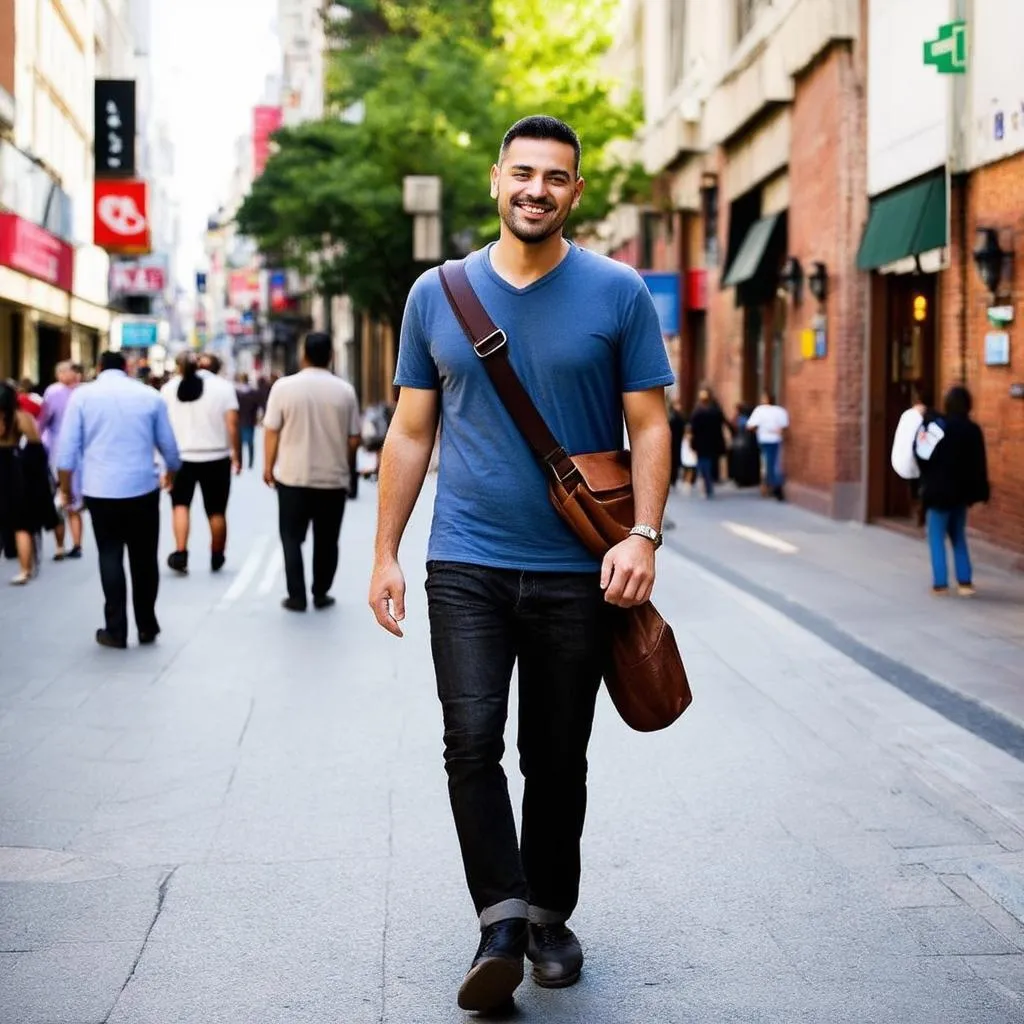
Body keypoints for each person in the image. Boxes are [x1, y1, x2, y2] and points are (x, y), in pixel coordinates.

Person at [368, 115, 674, 1013]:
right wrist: (385, 550)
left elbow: (651, 424)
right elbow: (410, 431)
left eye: (557, 177)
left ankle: (550, 914)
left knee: (556, 754)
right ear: (496, 180)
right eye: (524, 173)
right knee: (469, 743)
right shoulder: (438, 294)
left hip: (579, 570)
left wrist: (642, 535)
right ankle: (500, 919)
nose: (538, 189)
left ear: (576, 192)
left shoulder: (618, 293)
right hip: (464, 560)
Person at [56, 351, 181, 647]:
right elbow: (170, 449)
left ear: (98, 368)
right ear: (126, 368)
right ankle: (147, 624)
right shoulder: (150, 396)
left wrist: (66, 489)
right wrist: (171, 475)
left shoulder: (83, 397)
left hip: (101, 490)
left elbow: (66, 452)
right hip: (142, 488)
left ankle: (116, 629)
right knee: (144, 558)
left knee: (109, 555)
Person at [262, 332, 362, 611]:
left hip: (292, 477)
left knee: (291, 538)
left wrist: (268, 467)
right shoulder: (344, 391)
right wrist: (343, 460)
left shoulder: (283, 387)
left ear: (303, 354)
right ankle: (320, 591)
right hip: (332, 479)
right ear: (330, 356)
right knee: (327, 539)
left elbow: (271, 430)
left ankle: (296, 596)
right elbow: (355, 437)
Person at [161, 352, 240, 574]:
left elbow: (163, 430)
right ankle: (216, 554)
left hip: (181, 458)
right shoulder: (223, 388)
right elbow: (233, 425)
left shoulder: (168, 389)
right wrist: (237, 455)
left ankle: (180, 552)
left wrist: (163, 463)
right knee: (216, 511)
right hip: (216, 456)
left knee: (180, 505)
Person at [915, 385, 989, 596]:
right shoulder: (973, 429)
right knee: (958, 535)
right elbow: (979, 463)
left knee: (936, 536)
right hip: (962, 493)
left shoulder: (939, 426)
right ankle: (965, 582)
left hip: (939, 492)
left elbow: (922, 452)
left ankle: (940, 583)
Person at [0, 381, 59, 584]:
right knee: (21, 524)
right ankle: (25, 570)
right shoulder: (20, 417)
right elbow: (36, 446)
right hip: (12, 468)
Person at [39, 361, 85, 559]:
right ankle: (73, 545)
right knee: (71, 500)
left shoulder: (53, 392)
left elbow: (42, 422)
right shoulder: (84, 392)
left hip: (57, 452)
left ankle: (64, 546)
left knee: (61, 498)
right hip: (78, 453)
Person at [746, 390, 789, 500]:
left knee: (768, 464)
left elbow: (750, 426)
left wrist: (758, 429)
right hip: (776, 440)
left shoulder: (760, 411)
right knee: (773, 463)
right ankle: (771, 485)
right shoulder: (780, 411)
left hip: (765, 440)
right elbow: (784, 426)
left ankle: (775, 485)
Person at [687, 387, 727, 498]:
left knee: (703, 464)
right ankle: (708, 486)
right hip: (712, 442)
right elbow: (723, 423)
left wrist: (691, 441)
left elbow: (692, 429)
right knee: (708, 464)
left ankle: (706, 486)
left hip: (701, 443)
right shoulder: (715, 411)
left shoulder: (697, 412)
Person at [235, 372, 262, 470]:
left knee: (240, 444)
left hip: (240, 421)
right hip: (250, 420)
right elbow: (257, 407)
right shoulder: (253, 393)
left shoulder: (237, 393)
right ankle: (250, 463)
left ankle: (240, 463)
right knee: (250, 443)